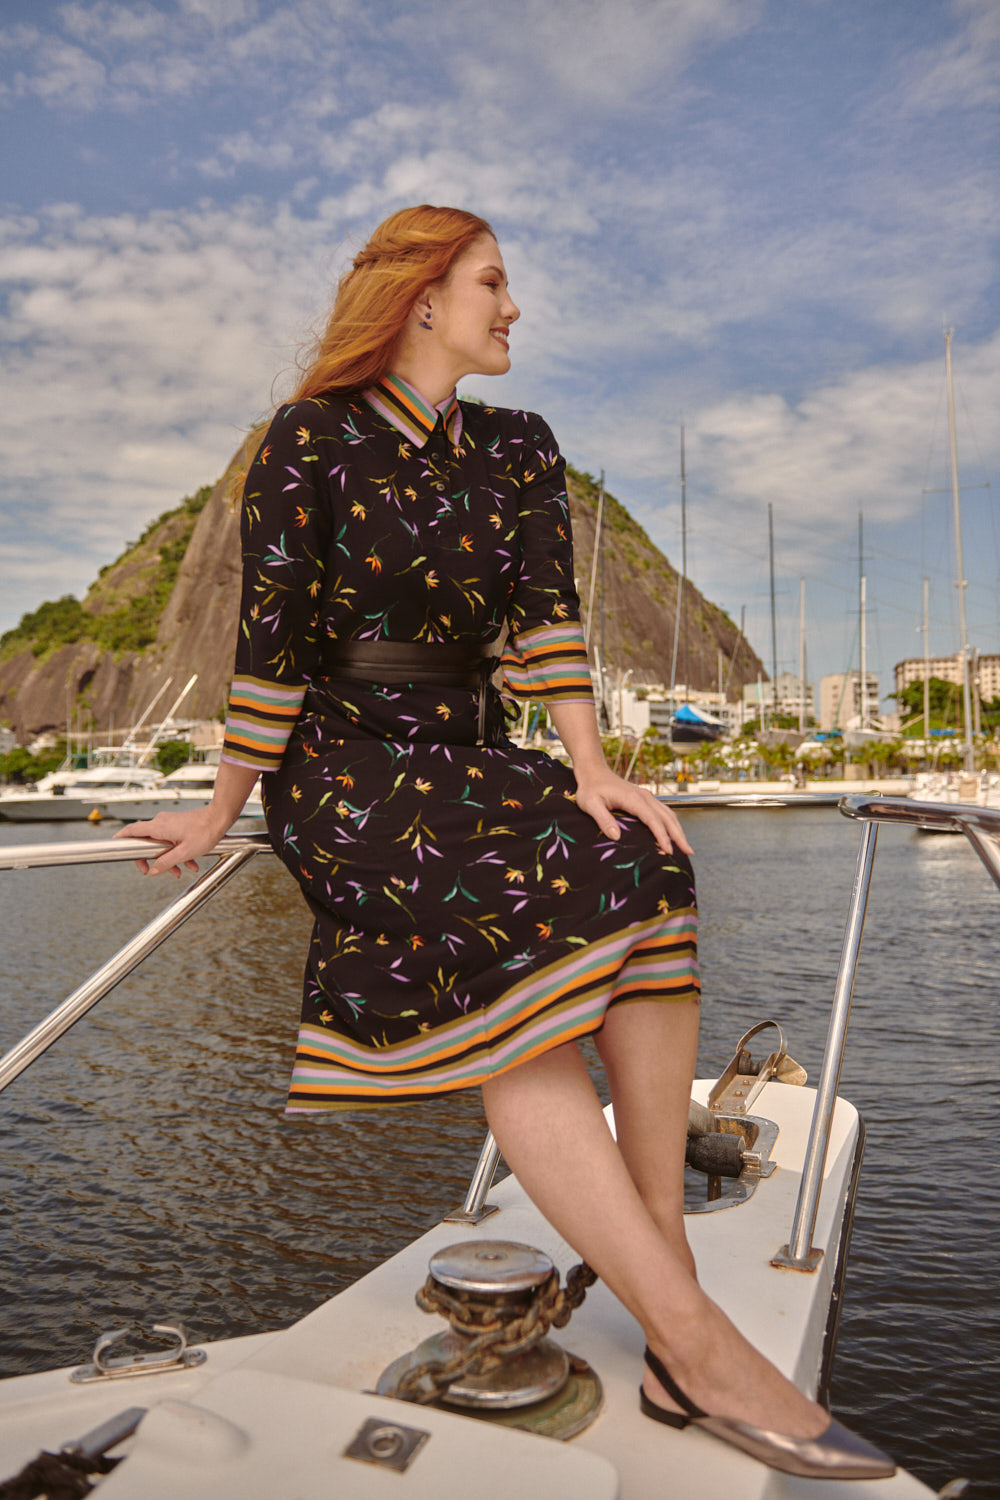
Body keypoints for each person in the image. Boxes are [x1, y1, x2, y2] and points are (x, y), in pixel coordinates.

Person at [118, 205, 893, 1481]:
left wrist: (592, 770)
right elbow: (271, 645)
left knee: (647, 860)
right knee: (512, 951)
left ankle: (662, 1260)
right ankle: (693, 1342)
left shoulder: (519, 446)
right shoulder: (310, 439)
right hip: (347, 764)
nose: (513, 305)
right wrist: (222, 806)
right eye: (493, 282)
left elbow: (546, 620)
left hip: (477, 755)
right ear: (422, 297)